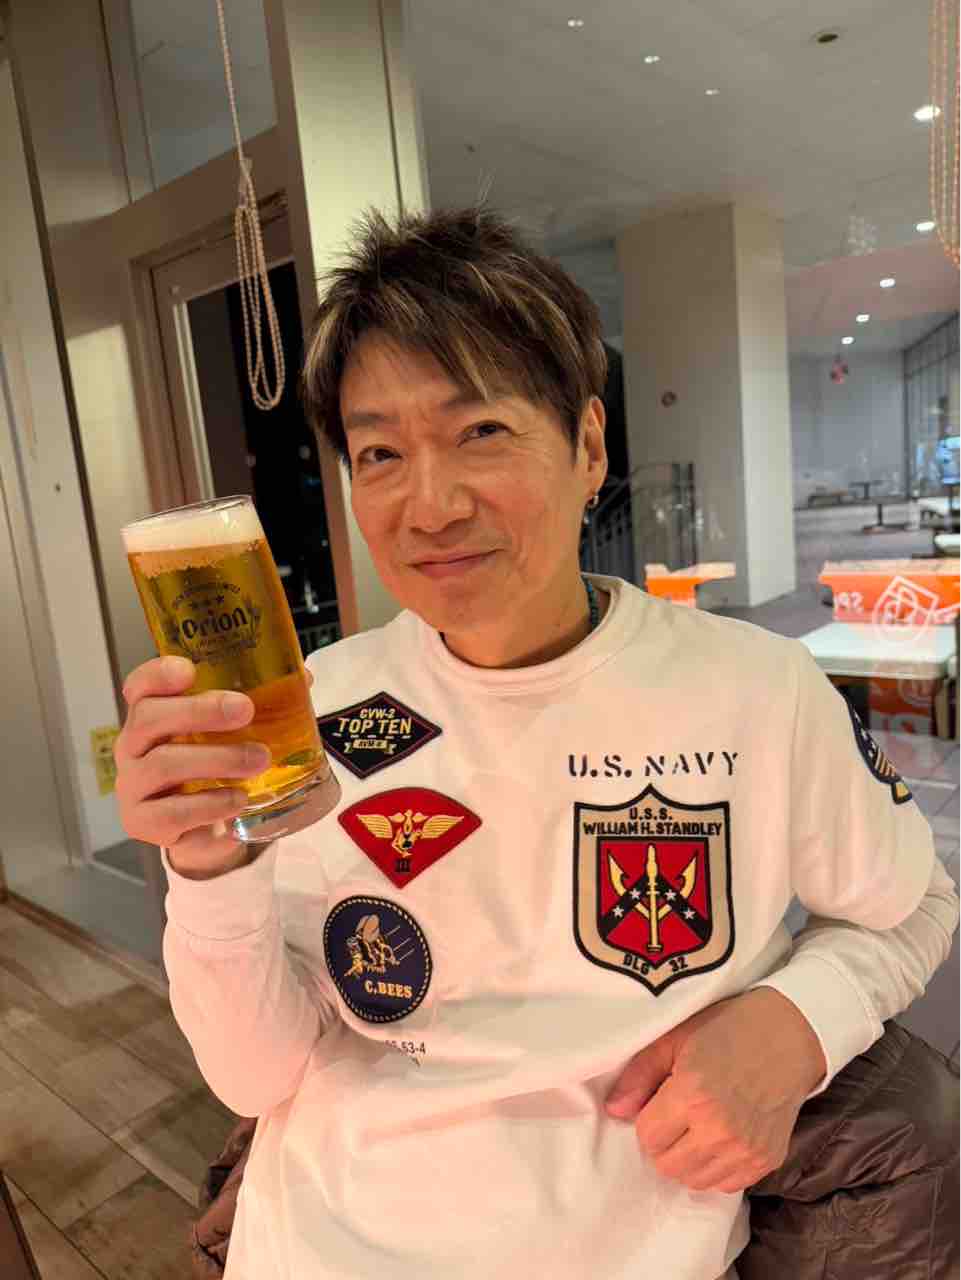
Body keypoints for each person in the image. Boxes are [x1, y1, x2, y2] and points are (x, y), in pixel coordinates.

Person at [114, 204, 959, 1280]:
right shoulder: (315, 710)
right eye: (379, 452)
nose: (429, 506)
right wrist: (206, 871)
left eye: (480, 431)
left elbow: (913, 902)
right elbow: (255, 1076)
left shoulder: (753, 688)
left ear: (588, 445)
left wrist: (800, 1020)